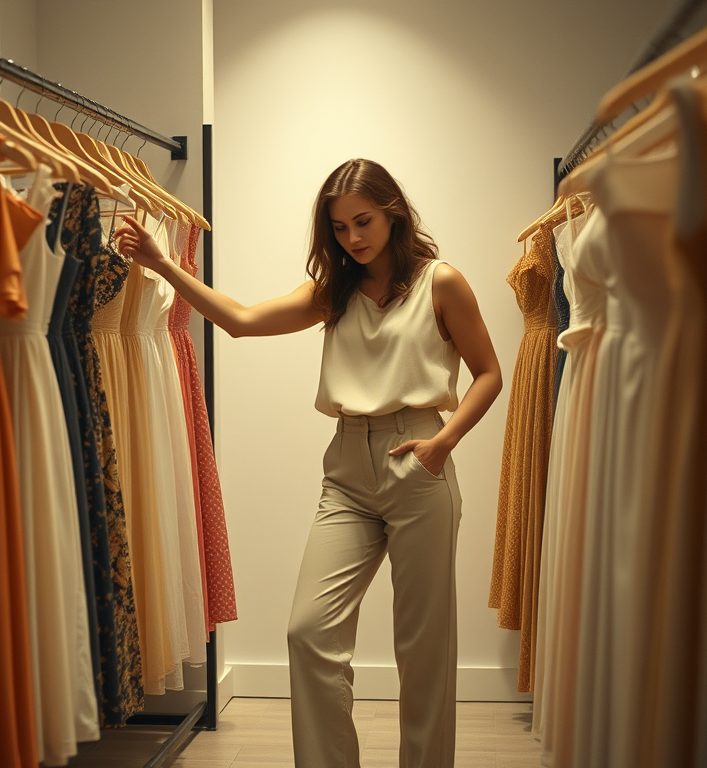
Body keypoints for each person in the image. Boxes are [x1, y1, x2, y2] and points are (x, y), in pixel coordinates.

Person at [115, 158, 502, 768]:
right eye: (340, 227)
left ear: (393, 211)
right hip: (347, 469)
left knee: (424, 649)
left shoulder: (442, 282)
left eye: (364, 221)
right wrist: (164, 265)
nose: (353, 237)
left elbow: (488, 372)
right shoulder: (335, 292)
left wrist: (444, 442)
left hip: (420, 459)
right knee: (309, 632)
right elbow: (241, 322)